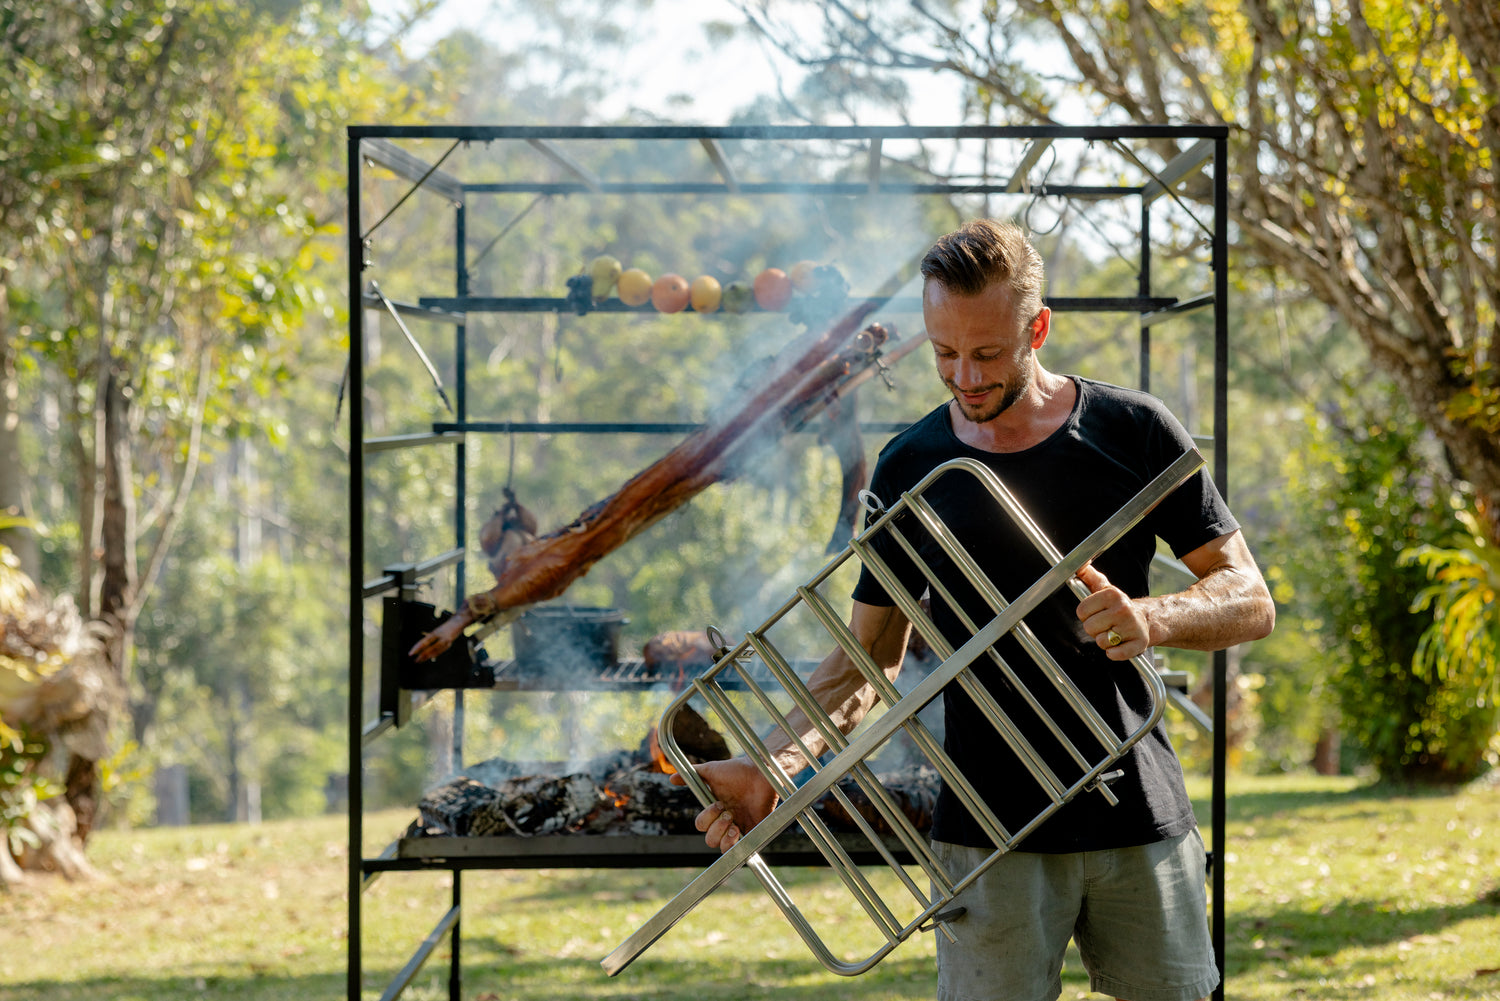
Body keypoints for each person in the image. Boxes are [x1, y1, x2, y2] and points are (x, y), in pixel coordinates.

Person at [680, 219, 1275, 1001]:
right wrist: (774, 769)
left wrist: (1153, 617)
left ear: (1038, 327)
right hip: (987, 833)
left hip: (1137, 811)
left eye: (987, 353)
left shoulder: (1133, 431)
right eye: (943, 352)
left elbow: (1248, 596)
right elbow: (867, 663)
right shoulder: (910, 464)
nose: (964, 375)